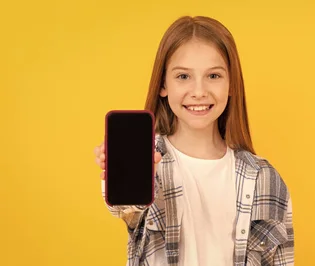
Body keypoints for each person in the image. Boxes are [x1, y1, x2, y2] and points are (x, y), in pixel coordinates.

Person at [93, 15, 294, 266]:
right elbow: (125, 208)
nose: (199, 92)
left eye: (213, 76)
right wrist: (120, 168)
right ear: (163, 84)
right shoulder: (147, 159)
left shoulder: (265, 178)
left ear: (231, 84)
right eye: (183, 77)